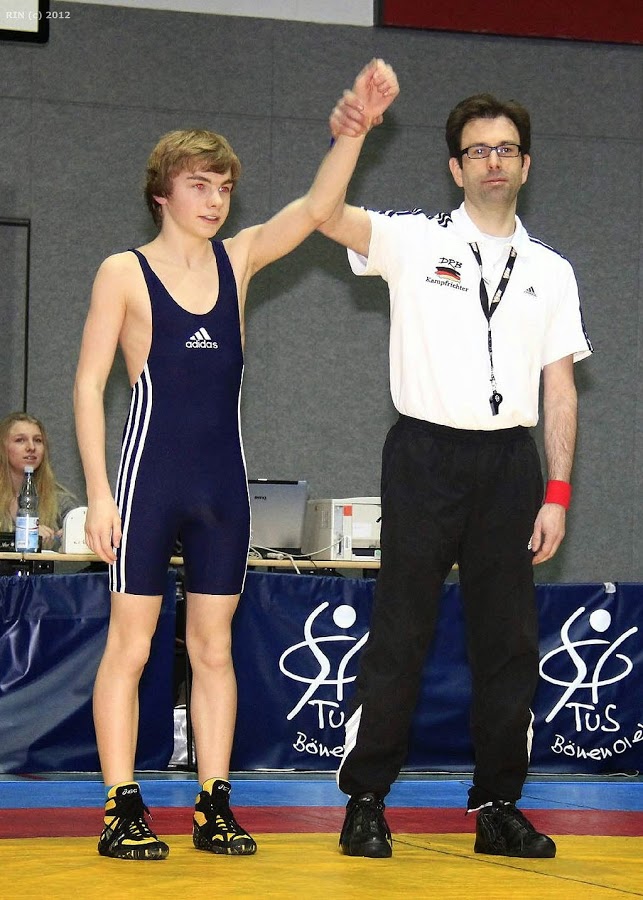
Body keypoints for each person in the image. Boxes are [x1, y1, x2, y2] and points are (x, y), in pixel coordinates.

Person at [73, 60, 399, 861]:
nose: (215, 200)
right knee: (131, 646)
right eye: (199, 185)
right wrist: (100, 494)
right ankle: (121, 805)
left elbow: (317, 209)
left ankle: (212, 803)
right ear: (162, 193)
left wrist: (353, 133)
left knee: (214, 648)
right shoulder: (123, 272)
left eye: (222, 187)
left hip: (222, 488)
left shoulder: (239, 259)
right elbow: (86, 386)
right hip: (148, 484)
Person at [320, 89, 593, 859]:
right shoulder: (413, 241)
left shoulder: (551, 270)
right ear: (454, 167)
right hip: (423, 457)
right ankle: (365, 800)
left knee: (507, 644)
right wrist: (352, 136)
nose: (492, 161)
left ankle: (498, 805)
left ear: (525, 164)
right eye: (477, 150)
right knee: (400, 632)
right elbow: (323, 213)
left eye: (505, 149)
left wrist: (557, 493)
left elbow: (560, 389)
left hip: (509, 466)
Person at [0, 411, 77, 551]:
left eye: (38, 440)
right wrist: (24, 536)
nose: (31, 447)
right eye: (20, 440)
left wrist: (72, 534)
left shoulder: (59, 498)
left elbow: (80, 524)